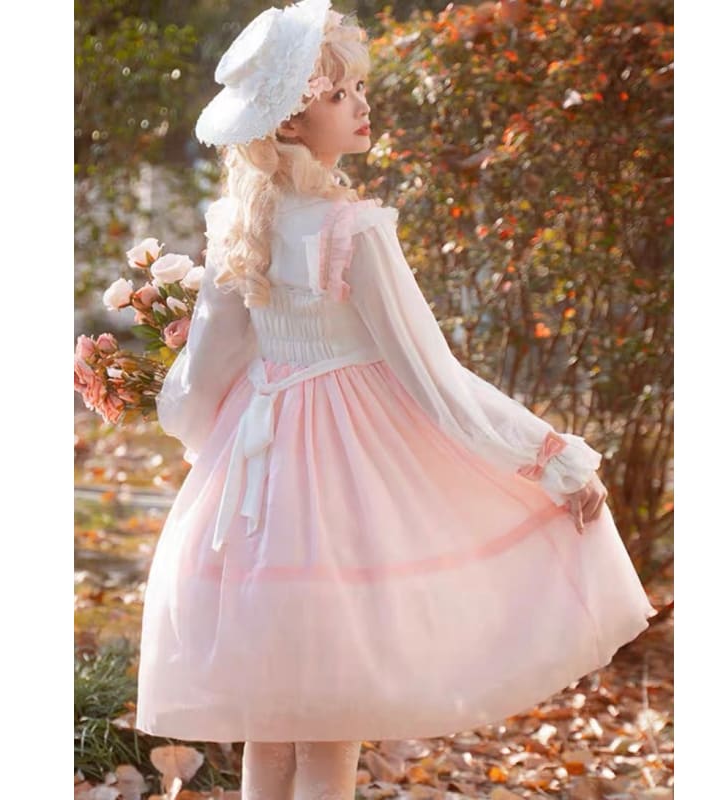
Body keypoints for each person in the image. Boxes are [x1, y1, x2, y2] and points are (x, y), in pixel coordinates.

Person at [134, 1, 658, 797]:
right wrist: (546, 459)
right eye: (339, 94)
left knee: (270, 727)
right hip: (342, 481)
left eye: (357, 90)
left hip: (256, 484)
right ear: (290, 121)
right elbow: (430, 375)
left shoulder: (239, 223)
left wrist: (204, 450)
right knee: (329, 726)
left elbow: (204, 374)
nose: (362, 105)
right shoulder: (352, 227)